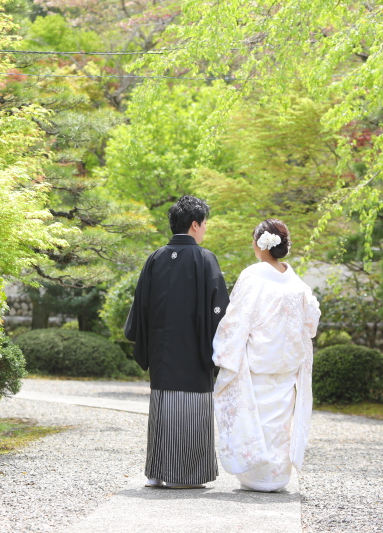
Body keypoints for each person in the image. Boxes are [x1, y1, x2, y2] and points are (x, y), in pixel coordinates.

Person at [124, 195, 230, 489]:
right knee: (191, 410)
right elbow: (219, 310)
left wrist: (145, 339)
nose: (205, 229)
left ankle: (157, 473)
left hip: (160, 354)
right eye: (205, 223)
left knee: (163, 408)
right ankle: (184, 476)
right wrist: (221, 346)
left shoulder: (155, 258)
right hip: (195, 354)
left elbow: (140, 308)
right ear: (194, 224)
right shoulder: (205, 259)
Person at [212, 219, 321, 492]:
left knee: (257, 419)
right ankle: (277, 476)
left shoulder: (253, 275)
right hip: (287, 366)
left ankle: (257, 476)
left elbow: (236, 320)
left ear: (260, 244)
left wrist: (224, 355)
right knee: (280, 422)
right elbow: (311, 322)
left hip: (259, 362)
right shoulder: (296, 282)